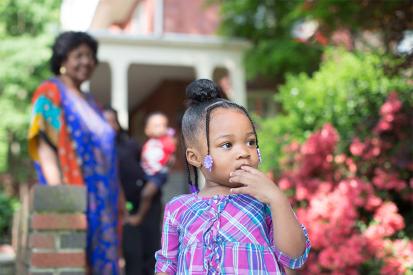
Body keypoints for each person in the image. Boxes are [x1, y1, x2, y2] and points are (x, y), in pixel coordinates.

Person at [155, 79, 311, 274]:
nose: (244, 152)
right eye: (227, 145)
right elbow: (166, 265)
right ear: (195, 157)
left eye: (251, 142)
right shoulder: (178, 209)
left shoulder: (263, 202)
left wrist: (277, 199)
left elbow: (294, 259)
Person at [28, 31, 120, 274]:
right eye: (78, 55)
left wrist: (119, 196)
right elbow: (44, 142)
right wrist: (60, 193)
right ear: (62, 60)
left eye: (90, 56)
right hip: (75, 193)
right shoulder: (50, 91)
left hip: (105, 201)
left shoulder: (92, 103)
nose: (86, 61)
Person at [103, 107, 162, 275]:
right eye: (105, 122)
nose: (110, 126)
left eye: (113, 121)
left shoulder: (130, 145)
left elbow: (149, 168)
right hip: (125, 209)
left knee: (152, 251)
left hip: (149, 203)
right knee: (132, 254)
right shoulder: (100, 153)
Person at [125, 112, 176, 227]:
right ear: (148, 130)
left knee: (146, 194)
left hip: (158, 174)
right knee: (143, 193)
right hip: (148, 172)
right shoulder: (150, 143)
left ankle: (139, 216)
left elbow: (170, 155)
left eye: (164, 125)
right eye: (157, 126)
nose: (161, 128)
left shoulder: (166, 141)